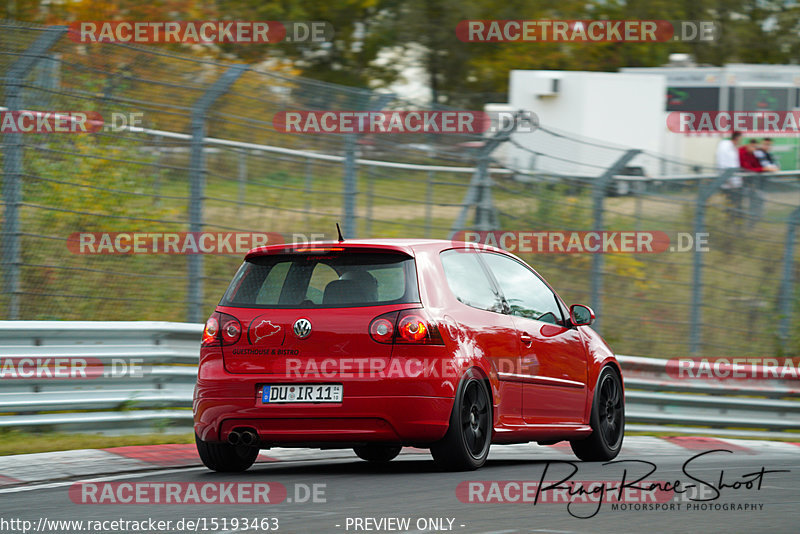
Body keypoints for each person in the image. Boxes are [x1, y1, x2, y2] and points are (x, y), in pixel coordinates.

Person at [716, 132, 743, 213]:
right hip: (729, 184)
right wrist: (728, 180)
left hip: (735, 184)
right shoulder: (725, 147)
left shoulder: (733, 148)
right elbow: (723, 163)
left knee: (736, 205)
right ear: (737, 138)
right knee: (731, 206)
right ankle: (731, 222)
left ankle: (734, 222)